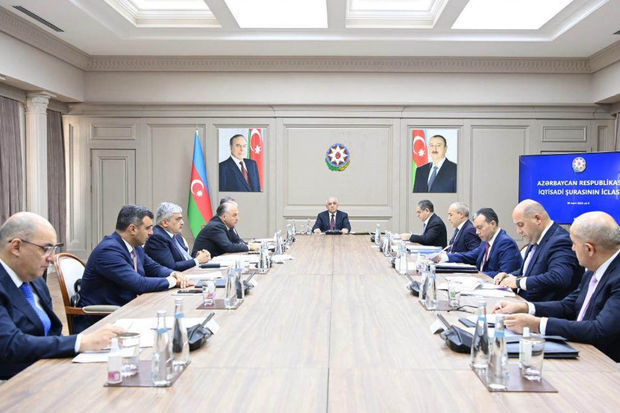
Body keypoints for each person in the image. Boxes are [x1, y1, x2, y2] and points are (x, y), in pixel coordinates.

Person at [0, 212, 122, 380]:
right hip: (14, 382)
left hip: (49, 368)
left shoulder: (35, 281)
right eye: (46, 249)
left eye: (54, 249)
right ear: (16, 247)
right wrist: (81, 342)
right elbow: (10, 344)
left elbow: (53, 333)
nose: (52, 258)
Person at [494, 211, 620, 362]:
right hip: (581, 349)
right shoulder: (593, 269)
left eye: (574, 244)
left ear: (589, 249)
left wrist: (537, 324)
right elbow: (569, 306)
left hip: (605, 364)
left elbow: (600, 331)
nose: (572, 249)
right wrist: (526, 307)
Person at [76, 205, 191, 332]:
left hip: (128, 310)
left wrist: (174, 273)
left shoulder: (135, 247)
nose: (151, 232)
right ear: (132, 229)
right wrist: (173, 281)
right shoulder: (108, 251)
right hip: (103, 321)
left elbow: (154, 268)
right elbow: (138, 283)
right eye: (148, 228)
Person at [493, 200, 583, 301]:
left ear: (537, 219)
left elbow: (558, 277)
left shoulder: (561, 241)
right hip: (522, 301)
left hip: (543, 307)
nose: (518, 231)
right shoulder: (536, 238)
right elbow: (531, 272)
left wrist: (518, 282)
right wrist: (510, 276)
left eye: (521, 224)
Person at [434, 207, 521, 277]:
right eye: (475, 228)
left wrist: (476, 275)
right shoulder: (486, 240)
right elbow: (471, 255)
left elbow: (505, 275)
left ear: (493, 224)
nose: (477, 232)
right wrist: (445, 257)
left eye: (479, 228)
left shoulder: (506, 243)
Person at [144, 202, 211, 271]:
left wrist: (198, 257)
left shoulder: (177, 235)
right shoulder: (157, 237)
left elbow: (183, 259)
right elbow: (171, 267)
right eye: (178, 219)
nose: (182, 222)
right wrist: (197, 260)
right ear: (165, 223)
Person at [192, 202, 260, 257]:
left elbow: (236, 242)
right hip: (201, 263)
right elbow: (228, 247)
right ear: (224, 217)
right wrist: (249, 247)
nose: (237, 218)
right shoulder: (216, 226)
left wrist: (250, 244)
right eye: (234, 215)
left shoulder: (226, 225)